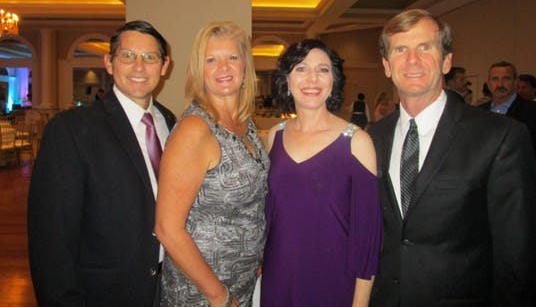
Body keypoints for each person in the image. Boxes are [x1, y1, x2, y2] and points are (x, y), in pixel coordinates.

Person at [368, 9, 536, 306]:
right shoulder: (372, 138)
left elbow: (517, 253)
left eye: (425, 47)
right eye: (400, 50)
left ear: (446, 60)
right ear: (386, 65)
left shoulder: (499, 136)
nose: (412, 60)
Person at [27, 20, 176, 306]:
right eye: (127, 56)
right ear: (109, 62)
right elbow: (51, 239)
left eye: (150, 57)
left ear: (164, 65)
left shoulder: (170, 123)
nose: (139, 67)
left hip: (169, 288)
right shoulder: (71, 130)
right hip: (105, 294)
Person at [155, 21, 269, 307]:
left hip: (241, 281)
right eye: (211, 59)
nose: (223, 67)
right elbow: (167, 228)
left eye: (232, 57)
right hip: (202, 291)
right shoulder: (195, 129)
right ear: (199, 70)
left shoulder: (244, 123)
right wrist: (218, 295)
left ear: (245, 67)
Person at [261, 39, 383, 307]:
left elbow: (367, 237)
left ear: (334, 80)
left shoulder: (357, 142)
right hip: (279, 278)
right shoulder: (274, 137)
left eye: (323, 70)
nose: (312, 79)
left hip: (334, 282)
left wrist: (360, 304)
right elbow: (270, 219)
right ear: (287, 80)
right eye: (301, 69)